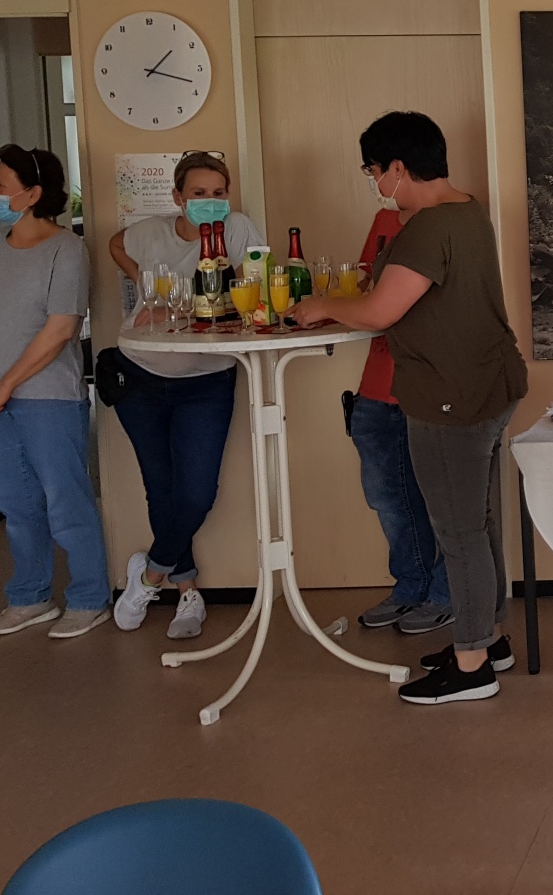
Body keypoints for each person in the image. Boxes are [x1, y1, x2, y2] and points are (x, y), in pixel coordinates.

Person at [289, 111, 528, 705]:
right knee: (479, 523)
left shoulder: (425, 227)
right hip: (490, 384)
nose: (376, 182)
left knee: (460, 533)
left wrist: (321, 305)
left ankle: (472, 668)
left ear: (398, 167)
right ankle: (488, 639)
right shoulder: (468, 210)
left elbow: (378, 312)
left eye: (374, 170)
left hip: (451, 397)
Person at [106, 151, 258, 639]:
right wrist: (144, 285)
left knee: (196, 493)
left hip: (206, 379)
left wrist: (205, 299)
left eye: (218, 193)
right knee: (162, 487)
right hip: (140, 374)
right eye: (199, 194)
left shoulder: (236, 229)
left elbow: (254, 285)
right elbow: (114, 244)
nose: (210, 202)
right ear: (178, 197)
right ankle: (187, 589)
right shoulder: (150, 232)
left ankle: (150, 574)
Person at [0, 145, 111, 639]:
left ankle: (89, 598)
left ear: (32, 195)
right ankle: (30, 597)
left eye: (1, 186)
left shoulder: (66, 249)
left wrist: (4, 386)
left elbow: (60, 328)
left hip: (49, 396)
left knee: (66, 501)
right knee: (16, 504)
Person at [346, 205, 452, 637]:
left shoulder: (453, 221)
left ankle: (447, 594)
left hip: (431, 386)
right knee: (387, 497)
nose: (376, 180)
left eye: (377, 172)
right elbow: (364, 288)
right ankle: (411, 586)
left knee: (443, 501)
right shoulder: (384, 221)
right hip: (376, 385)